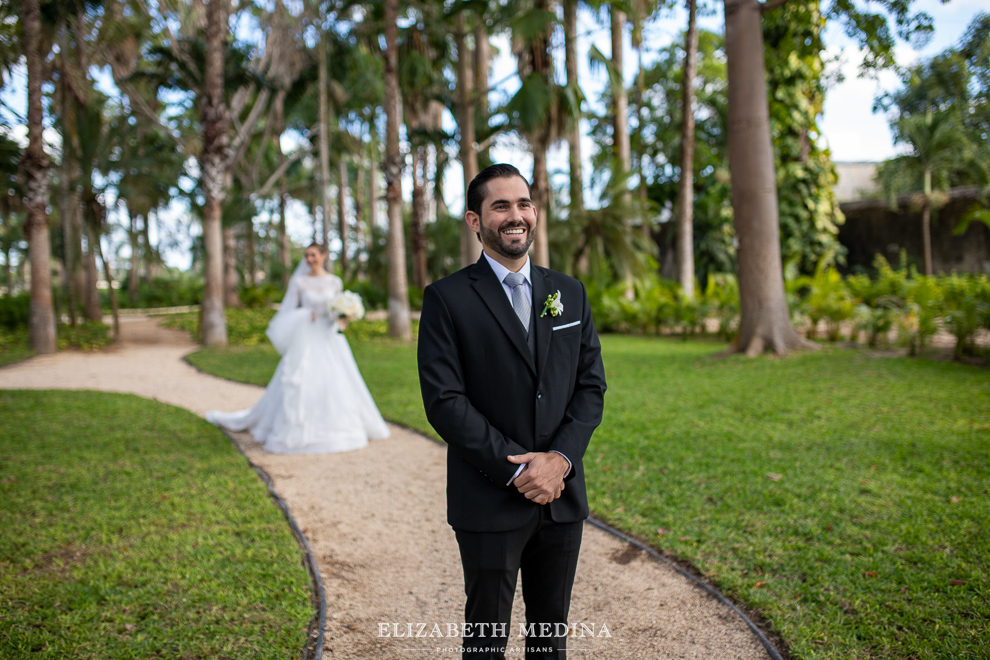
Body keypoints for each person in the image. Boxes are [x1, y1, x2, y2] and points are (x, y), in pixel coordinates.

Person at [417, 164, 607, 659]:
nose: (515, 215)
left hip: (561, 495)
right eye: (500, 206)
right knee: (486, 643)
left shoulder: (569, 293)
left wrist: (558, 461)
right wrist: (522, 469)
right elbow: (444, 401)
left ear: (535, 213)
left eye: (523, 203)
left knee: (550, 640)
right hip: (490, 496)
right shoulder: (447, 299)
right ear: (475, 221)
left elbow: (591, 388)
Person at [206, 243, 390, 454]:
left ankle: (340, 428)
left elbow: (337, 312)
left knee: (336, 380)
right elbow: (287, 311)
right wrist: (306, 314)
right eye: (306, 256)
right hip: (307, 337)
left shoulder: (335, 282)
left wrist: (343, 317)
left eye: (313, 255)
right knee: (302, 380)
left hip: (330, 338)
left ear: (323, 255)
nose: (309, 259)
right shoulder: (299, 282)